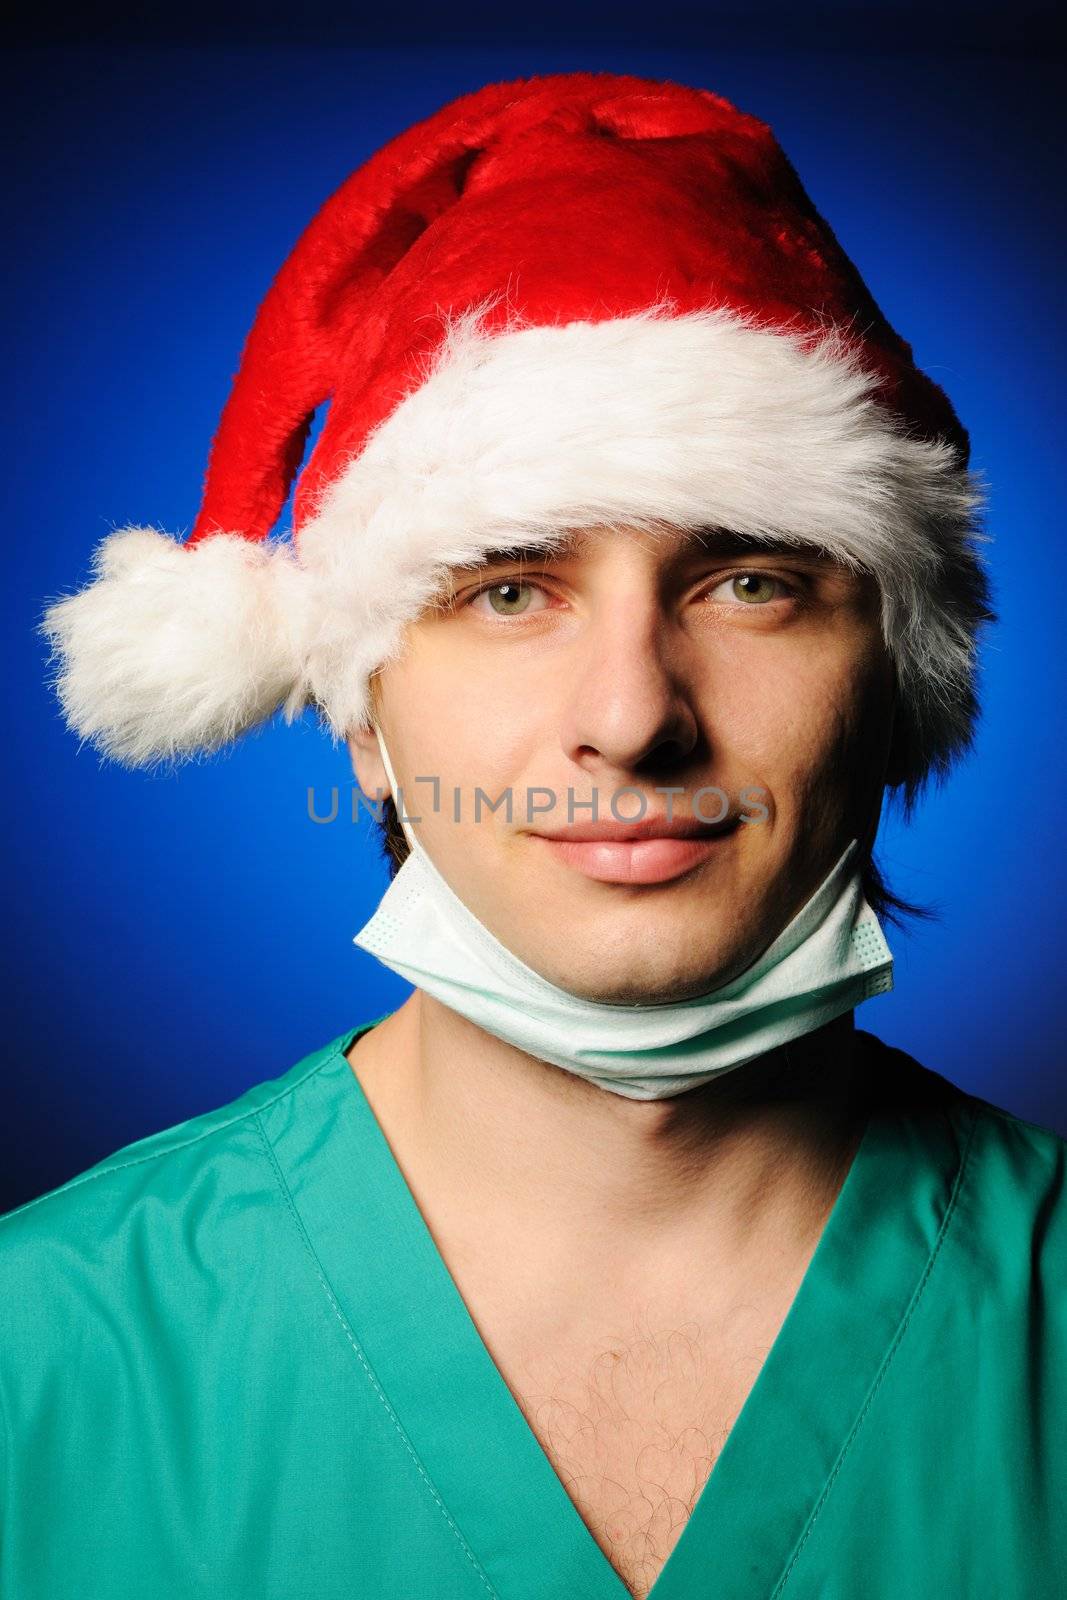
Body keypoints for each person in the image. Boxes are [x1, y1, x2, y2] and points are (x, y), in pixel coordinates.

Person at [5, 70, 1064, 1600]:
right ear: (358, 715)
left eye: (749, 582)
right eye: (509, 591)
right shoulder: (36, 1362)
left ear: (898, 681)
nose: (633, 718)